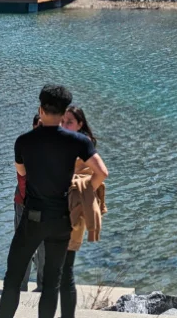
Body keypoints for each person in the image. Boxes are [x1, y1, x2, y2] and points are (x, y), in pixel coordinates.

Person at [0, 85, 108, 318]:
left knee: (13, 279)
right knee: (51, 283)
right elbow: (101, 172)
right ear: (64, 110)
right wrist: (85, 189)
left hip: (33, 217)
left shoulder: (24, 141)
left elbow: (22, 172)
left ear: (40, 108)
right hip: (62, 220)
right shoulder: (78, 141)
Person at [61, 106, 107, 266]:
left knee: (65, 264)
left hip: (74, 205)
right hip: (67, 205)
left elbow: (101, 173)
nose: (64, 125)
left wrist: (83, 191)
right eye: (62, 121)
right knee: (63, 263)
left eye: (69, 122)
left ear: (80, 124)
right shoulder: (67, 141)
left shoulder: (82, 143)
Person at [13, 115, 45, 292]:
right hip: (26, 203)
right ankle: (26, 285)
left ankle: (36, 285)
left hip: (33, 202)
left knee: (38, 247)